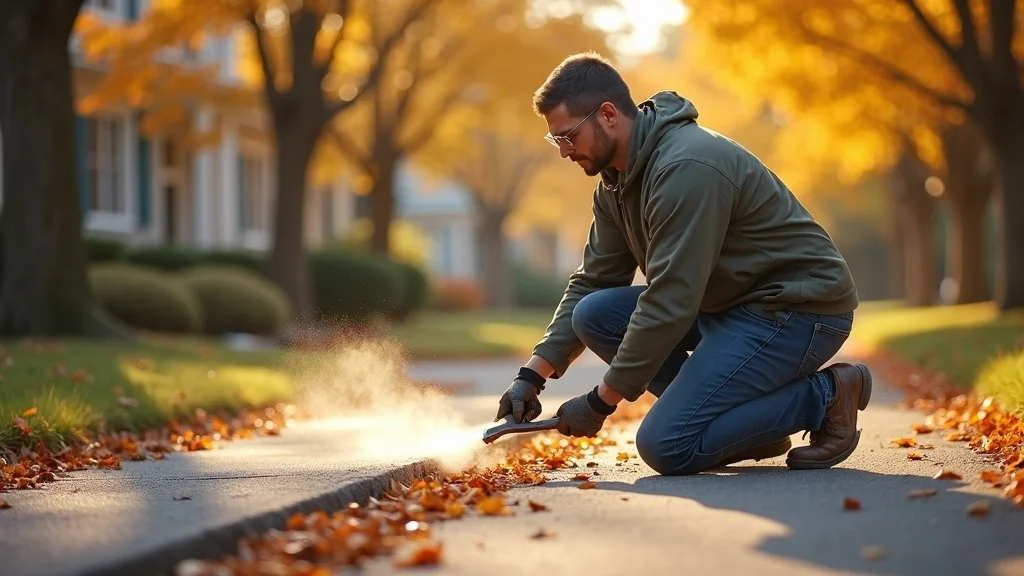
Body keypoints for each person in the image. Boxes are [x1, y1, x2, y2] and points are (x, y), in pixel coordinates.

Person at [494, 52, 872, 475]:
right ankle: (748, 424)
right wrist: (532, 375)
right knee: (595, 314)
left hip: (795, 310)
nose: (563, 152)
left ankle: (827, 394)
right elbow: (593, 282)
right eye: (556, 141)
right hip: (732, 307)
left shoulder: (685, 167)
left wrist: (600, 401)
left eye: (568, 136)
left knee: (666, 445)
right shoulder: (616, 184)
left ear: (607, 115)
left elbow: (670, 300)